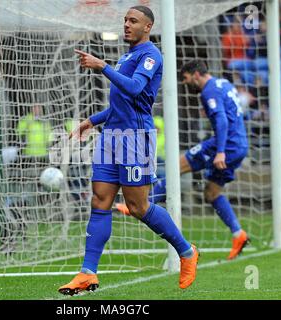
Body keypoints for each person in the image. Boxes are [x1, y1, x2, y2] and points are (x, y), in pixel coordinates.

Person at [58, 6, 199, 296]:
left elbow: (135, 90)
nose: (126, 25)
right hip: (111, 137)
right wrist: (91, 121)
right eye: (124, 20)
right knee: (100, 201)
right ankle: (87, 273)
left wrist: (103, 66)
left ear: (147, 26)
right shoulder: (126, 56)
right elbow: (120, 104)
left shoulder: (151, 55)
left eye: (133, 21)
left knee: (138, 207)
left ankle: (186, 251)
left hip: (135, 139)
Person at [117, 60, 250, 260]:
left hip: (225, 145)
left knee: (176, 166)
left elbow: (222, 120)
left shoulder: (209, 91)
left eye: (186, 78)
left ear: (196, 74)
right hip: (240, 144)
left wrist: (221, 151)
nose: (186, 83)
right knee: (212, 194)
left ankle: (141, 203)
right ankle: (238, 234)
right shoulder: (224, 83)